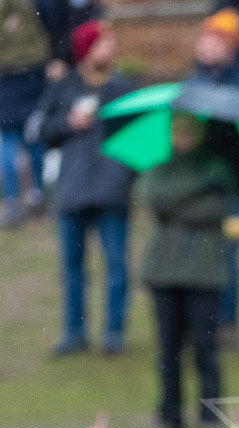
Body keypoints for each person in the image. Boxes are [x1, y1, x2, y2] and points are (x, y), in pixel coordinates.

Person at [33, 19, 133, 356]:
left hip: (112, 189)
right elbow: (42, 132)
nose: (112, 48)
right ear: (87, 49)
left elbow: (138, 138)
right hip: (72, 189)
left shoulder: (121, 88)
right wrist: (68, 123)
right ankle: (74, 333)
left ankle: (114, 333)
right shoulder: (63, 88)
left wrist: (127, 174)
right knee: (73, 268)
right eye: (105, 42)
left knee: (117, 265)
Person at [141, 114, 238, 428]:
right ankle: (170, 418)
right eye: (177, 131)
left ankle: (211, 417)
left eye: (188, 131)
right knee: (167, 350)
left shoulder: (218, 168)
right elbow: (153, 196)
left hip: (204, 272)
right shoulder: (162, 168)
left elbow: (215, 210)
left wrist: (176, 208)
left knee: (205, 348)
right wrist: (197, 193)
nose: (182, 138)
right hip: (164, 272)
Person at [189, 8, 239, 350]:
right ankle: (198, 324)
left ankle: (228, 324)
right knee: (195, 253)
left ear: (230, 46)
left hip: (230, 182)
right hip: (194, 183)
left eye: (215, 40)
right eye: (204, 38)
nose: (206, 46)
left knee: (228, 256)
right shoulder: (192, 82)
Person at [0, 0, 69, 227]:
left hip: (18, 77)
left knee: (17, 139)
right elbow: (54, 27)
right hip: (27, 75)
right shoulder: (35, 4)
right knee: (27, 138)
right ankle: (33, 196)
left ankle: (17, 199)